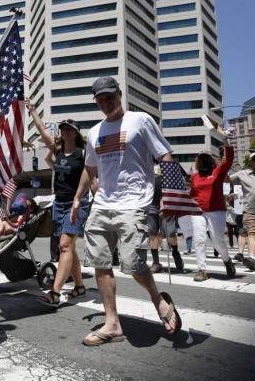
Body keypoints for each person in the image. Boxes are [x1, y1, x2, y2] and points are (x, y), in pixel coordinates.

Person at [71, 76, 182, 345]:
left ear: (120, 94)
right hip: (103, 205)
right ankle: (113, 324)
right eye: (101, 98)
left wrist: (171, 194)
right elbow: (90, 169)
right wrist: (78, 199)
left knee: (133, 264)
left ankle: (159, 300)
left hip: (135, 203)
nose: (106, 102)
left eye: (111, 96)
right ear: (96, 102)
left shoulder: (140, 120)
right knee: (100, 263)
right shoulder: (95, 132)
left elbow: (165, 155)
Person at [26, 99, 92, 308]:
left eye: (68, 128)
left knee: (64, 245)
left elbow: (92, 178)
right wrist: (33, 110)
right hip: (60, 202)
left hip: (76, 203)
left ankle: (55, 293)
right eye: (62, 128)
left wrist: (94, 201)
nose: (64, 131)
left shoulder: (83, 154)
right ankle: (80, 287)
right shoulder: (58, 151)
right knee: (69, 248)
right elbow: (41, 129)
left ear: (76, 133)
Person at [189, 137, 236, 282]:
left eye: (206, 158)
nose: (203, 160)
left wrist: (226, 142)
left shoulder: (218, 172)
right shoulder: (195, 176)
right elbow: (192, 193)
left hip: (216, 211)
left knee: (217, 241)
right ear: (197, 162)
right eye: (201, 158)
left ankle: (227, 260)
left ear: (211, 160)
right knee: (199, 239)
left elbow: (228, 160)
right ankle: (202, 270)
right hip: (197, 212)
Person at [147, 163, 184, 273]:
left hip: (168, 201)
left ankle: (175, 252)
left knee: (170, 233)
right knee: (151, 233)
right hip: (150, 202)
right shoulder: (145, 162)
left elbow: (179, 182)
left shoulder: (170, 163)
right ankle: (156, 262)